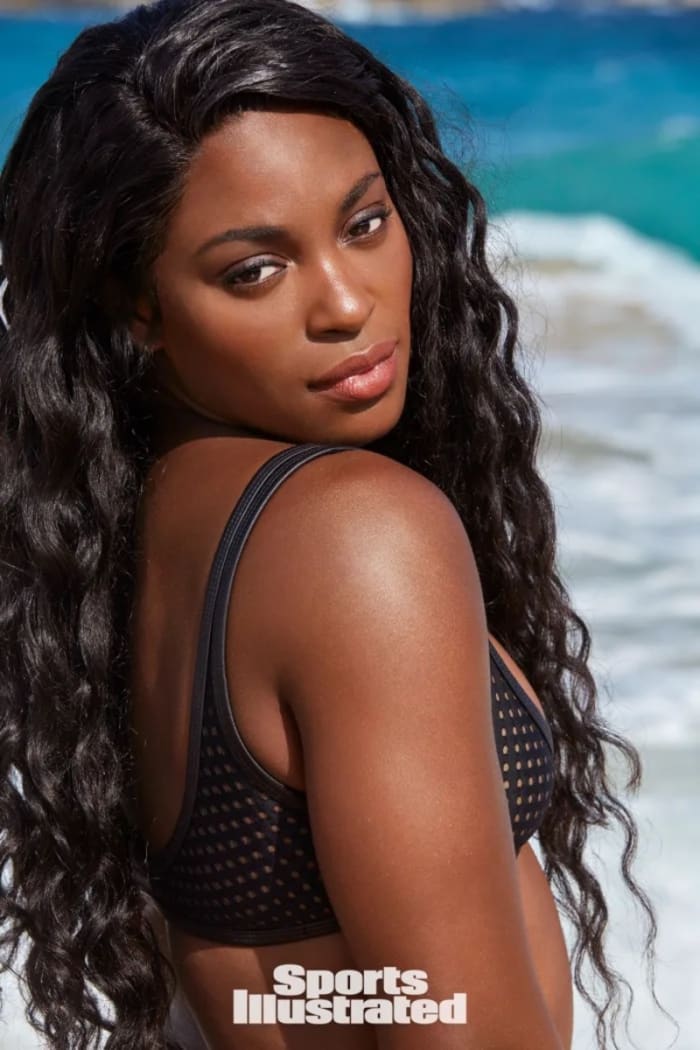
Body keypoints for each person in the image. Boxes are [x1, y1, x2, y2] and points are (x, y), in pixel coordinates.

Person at [0, 1, 665, 1048]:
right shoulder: (352, 536)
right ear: (137, 305)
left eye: (364, 224)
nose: (347, 304)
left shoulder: (116, 533)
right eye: (254, 271)